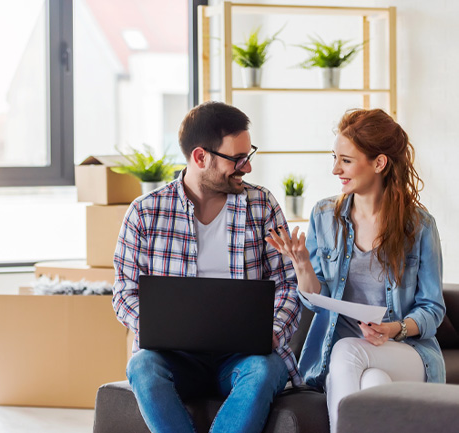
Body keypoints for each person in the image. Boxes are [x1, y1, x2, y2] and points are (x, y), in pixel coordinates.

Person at [112, 101, 301, 433]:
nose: (247, 167)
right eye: (237, 159)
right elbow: (124, 292)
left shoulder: (263, 205)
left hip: (242, 359)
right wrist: (157, 328)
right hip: (175, 358)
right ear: (200, 157)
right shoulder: (145, 212)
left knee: (265, 369)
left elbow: (287, 284)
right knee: (142, 366)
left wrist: (271, 334)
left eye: (249, 155)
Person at [266, 108, 446, 433]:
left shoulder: (418, 226)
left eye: (346, 160)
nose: (335, 169)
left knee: (348, 351)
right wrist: (303, 265)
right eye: (335, 157)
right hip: (347, 357)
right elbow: (314, 299)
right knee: (372, 381)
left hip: (406, 351)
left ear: (379, 163)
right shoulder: (324, 215)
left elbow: (432, 309)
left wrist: (393, 329)